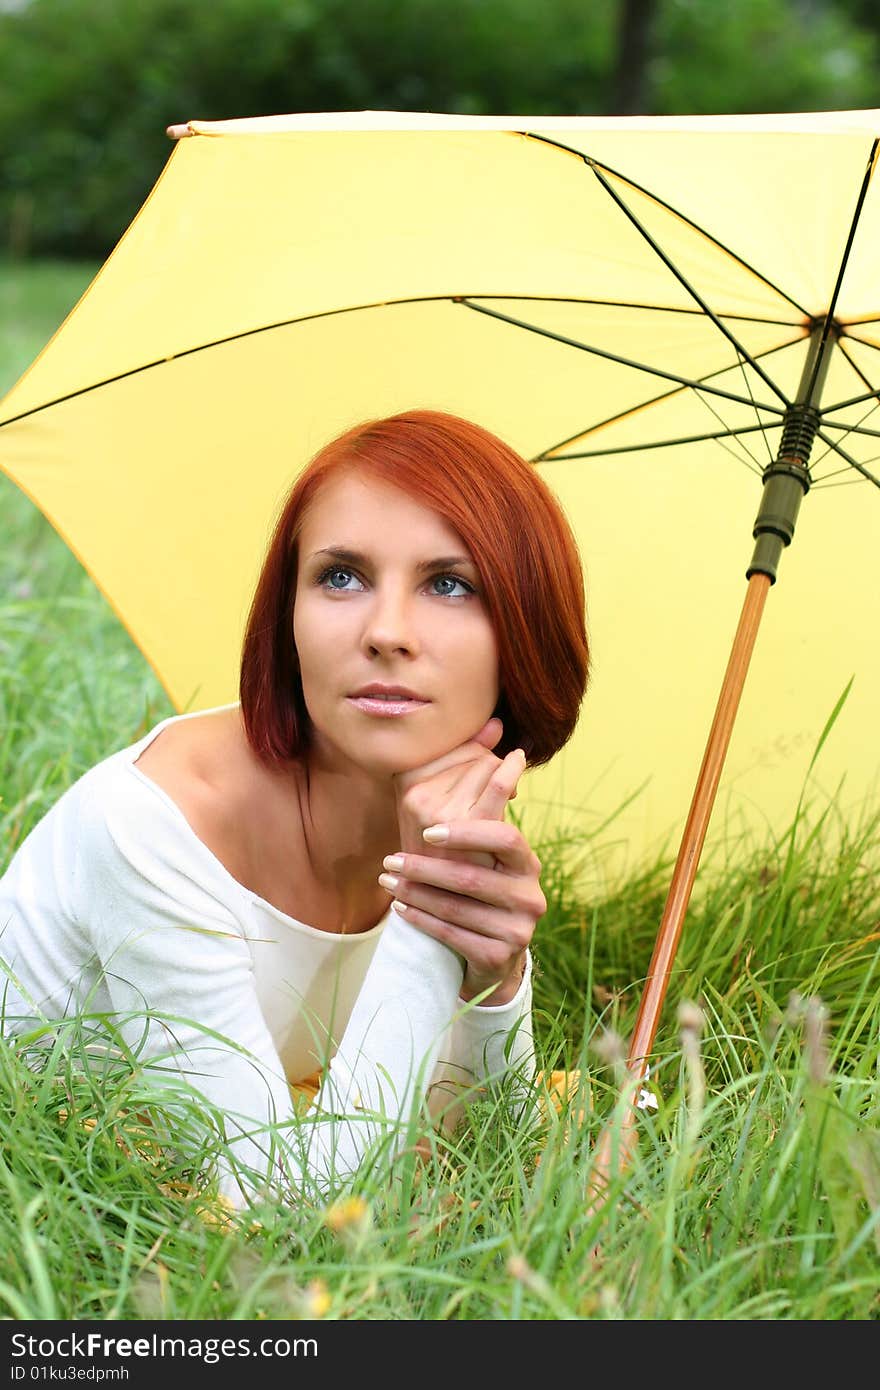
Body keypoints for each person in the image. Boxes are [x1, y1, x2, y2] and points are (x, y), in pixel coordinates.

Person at [0, 409, 589, 1209]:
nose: (386, 632)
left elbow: (491, 1149)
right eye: (341, 576)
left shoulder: (443, 811)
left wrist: (496, 979)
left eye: (449, 583)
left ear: (525, 627)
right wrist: (427, 915)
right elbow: (276, 1197)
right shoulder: (150, 827)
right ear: (288, 616)